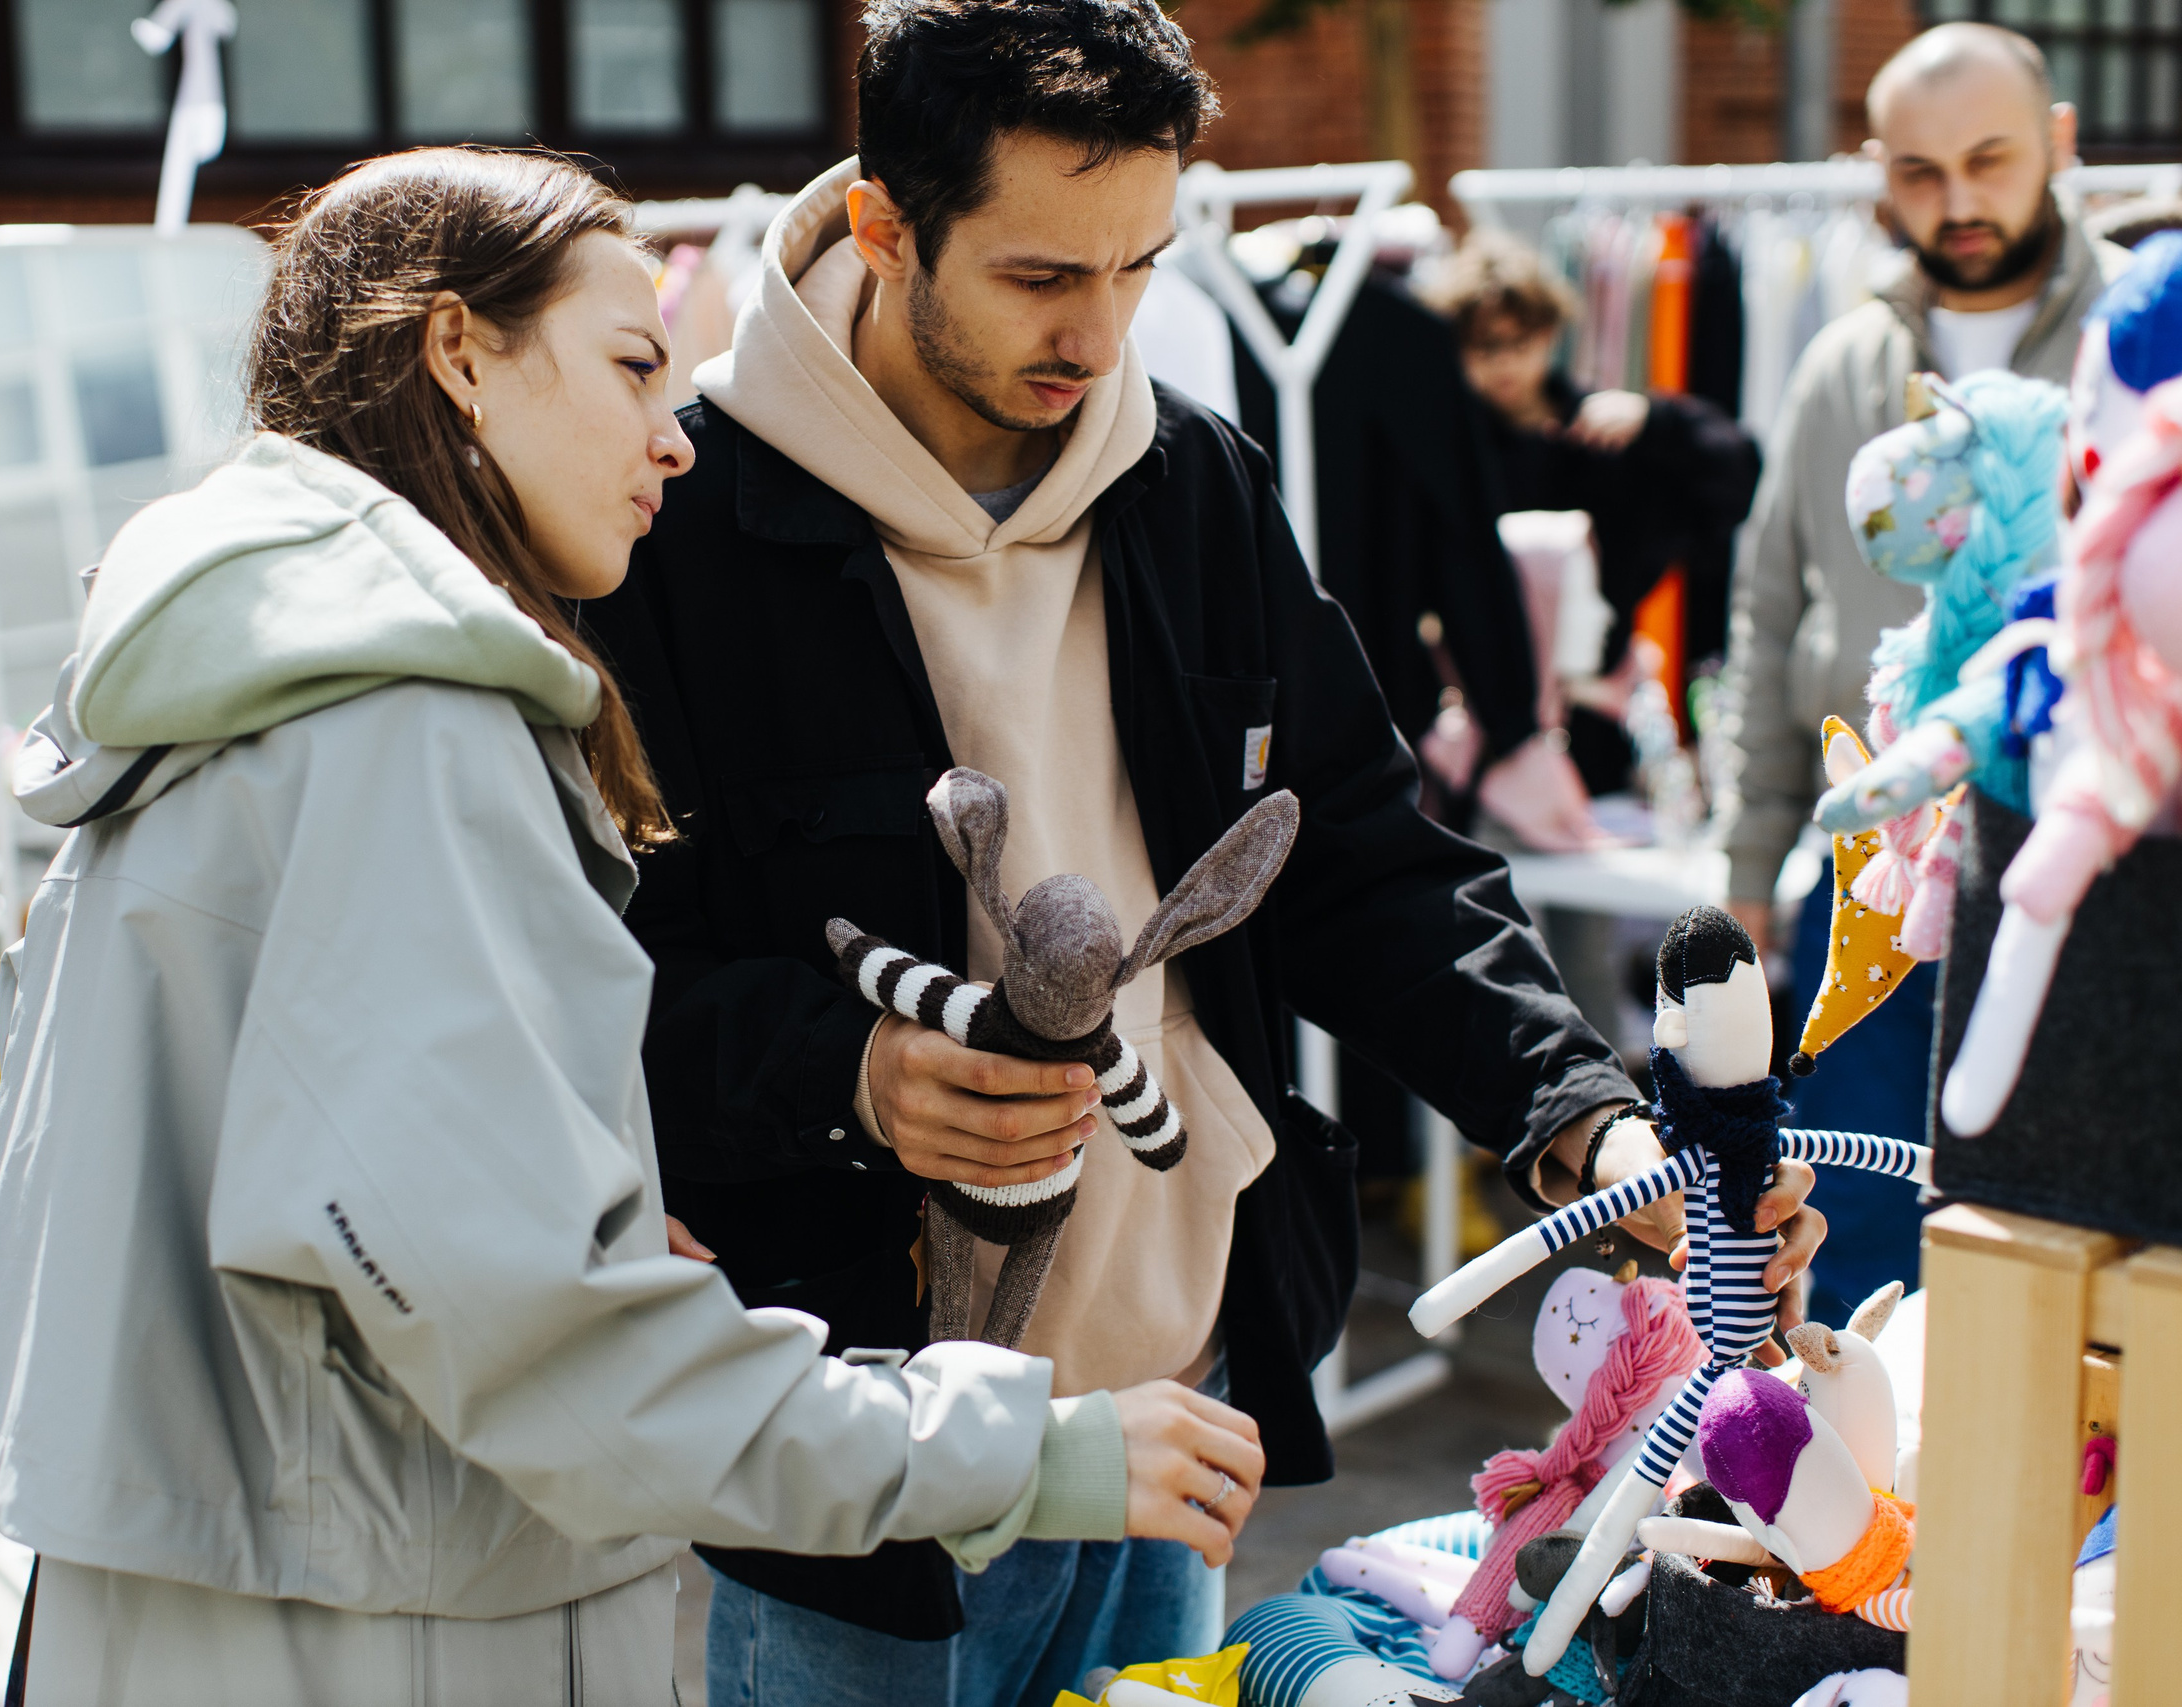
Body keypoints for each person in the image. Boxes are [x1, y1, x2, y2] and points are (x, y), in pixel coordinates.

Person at [582, 1, 1831, 1700]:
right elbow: (584, 974)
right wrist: (850, 1068)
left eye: (1138, 269)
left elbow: (1367, 863)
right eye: (1041, 276)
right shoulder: (674, 524)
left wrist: (1580, 1126)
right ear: (883, 222)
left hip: (1178, 1422)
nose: (1099, 335)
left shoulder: (1193, 481)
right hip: (856, 1470)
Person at [0, 149, 1269, 1707]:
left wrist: (573, 1200)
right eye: (633, 362)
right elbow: (539, 1339)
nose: (673, 438)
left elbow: (342, 1203)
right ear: (458, 353)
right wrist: (1026, 1443)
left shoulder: (259, 685)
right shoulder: (397, 727)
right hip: (378, 1621)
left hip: (229, 1587)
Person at [1709, 20, 2121, 1316]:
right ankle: (1866, 1519)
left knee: (2069, 1252)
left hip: (2083, 875)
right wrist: (1745, 866)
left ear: (2057, 145)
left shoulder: (2139, 346)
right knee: (1857, 1237)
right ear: (1881, 171)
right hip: (1868, 873)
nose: (1959, 202)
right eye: (1922, 171)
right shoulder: (1844, 361)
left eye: (1989, 160)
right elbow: (1772, 608)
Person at [1421, 229, 1763, 795]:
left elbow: (1738, 473)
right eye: (1485, 348)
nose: (1505, 364)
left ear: (1549, 334)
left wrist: (1656, 421)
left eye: (1520, 343)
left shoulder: (1599, 435)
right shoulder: (1447, 452)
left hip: (1592, 721)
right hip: (1469, 718)